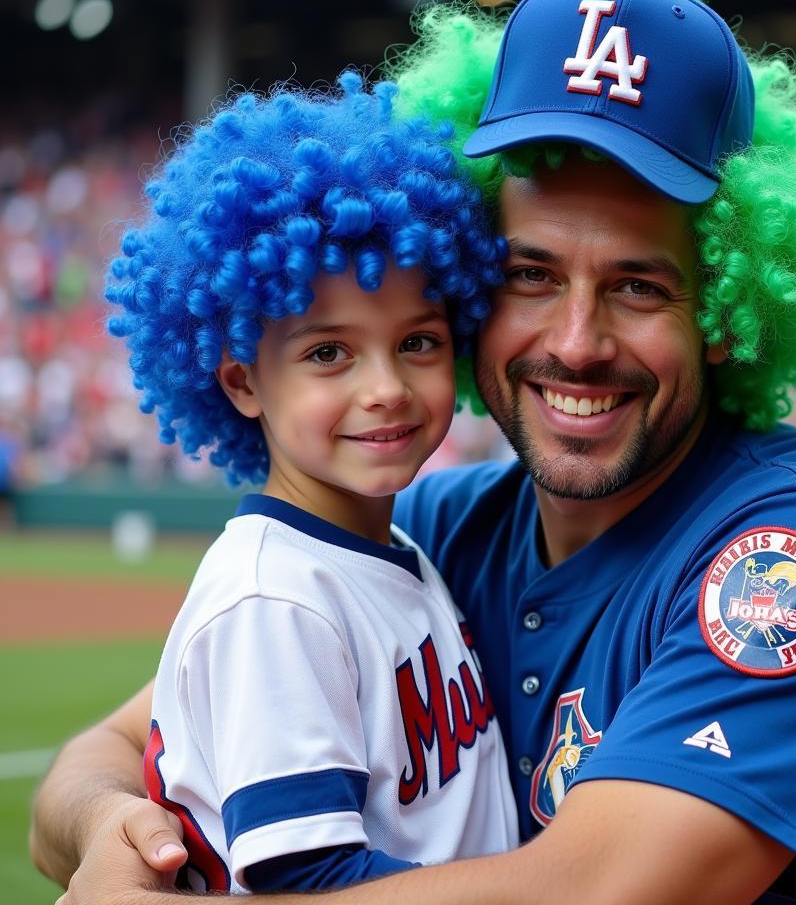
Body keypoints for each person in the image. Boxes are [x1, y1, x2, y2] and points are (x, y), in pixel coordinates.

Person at [32, 0, 796, 905]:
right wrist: (116, 832)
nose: (575, 344)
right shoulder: (425, 535)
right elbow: (99, 758)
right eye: (530, 275)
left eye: (638, 286)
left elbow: (602, 891)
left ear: (729, 311)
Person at [91, 73, 517, 894]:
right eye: (328, 353)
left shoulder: (381, 546)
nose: (385, 387)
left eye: (419, 342)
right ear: (243, 383)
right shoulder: (273, 600)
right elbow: (308, 879)